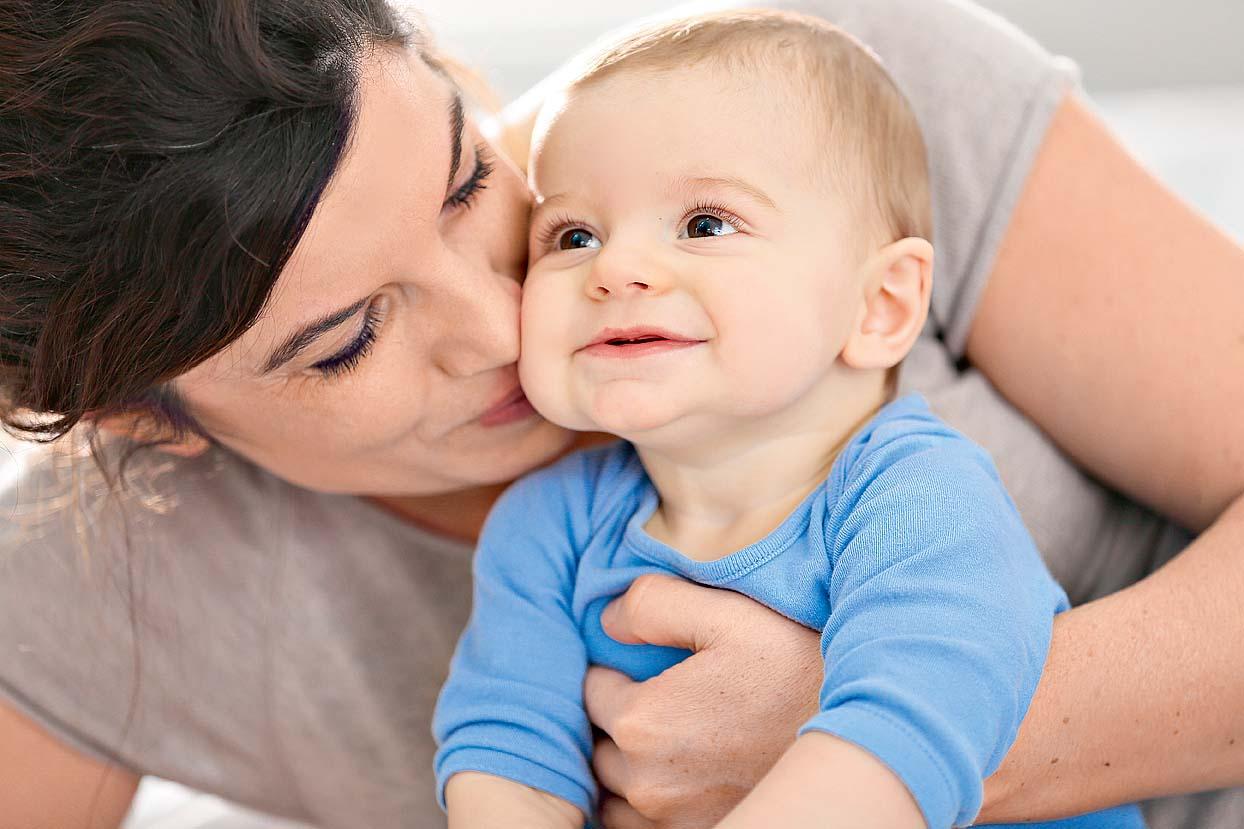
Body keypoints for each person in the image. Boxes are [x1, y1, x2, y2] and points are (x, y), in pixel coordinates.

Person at [0, 0, 1240, 828]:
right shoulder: (88, 589)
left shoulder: (834, 107)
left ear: (451, 69)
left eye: (465, 179)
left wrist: (831, 735)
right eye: (348, 339)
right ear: (140, 420)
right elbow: (501, 732)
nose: (508, 324)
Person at [432, 11, 1142, 829]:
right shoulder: (546, 528)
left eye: (705, 224)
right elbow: (507, 754)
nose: (615, 267)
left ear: (880, 305)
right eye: (573, 235)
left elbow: (905, 727)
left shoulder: (918, 496)